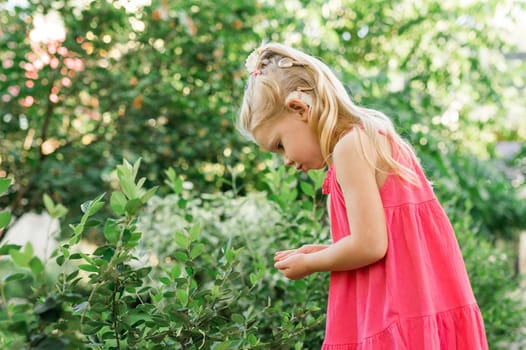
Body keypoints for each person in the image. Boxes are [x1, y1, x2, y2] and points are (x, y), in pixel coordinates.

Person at [237, 42, 488, 349]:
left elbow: (370, 245)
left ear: (300, 109)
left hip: (396, 312)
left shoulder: (350, 147)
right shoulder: (369, 138)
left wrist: (311, 264)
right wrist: (322, 252)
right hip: (415, 302)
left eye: (279, 145)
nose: (286, 160)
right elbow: (375, 238)